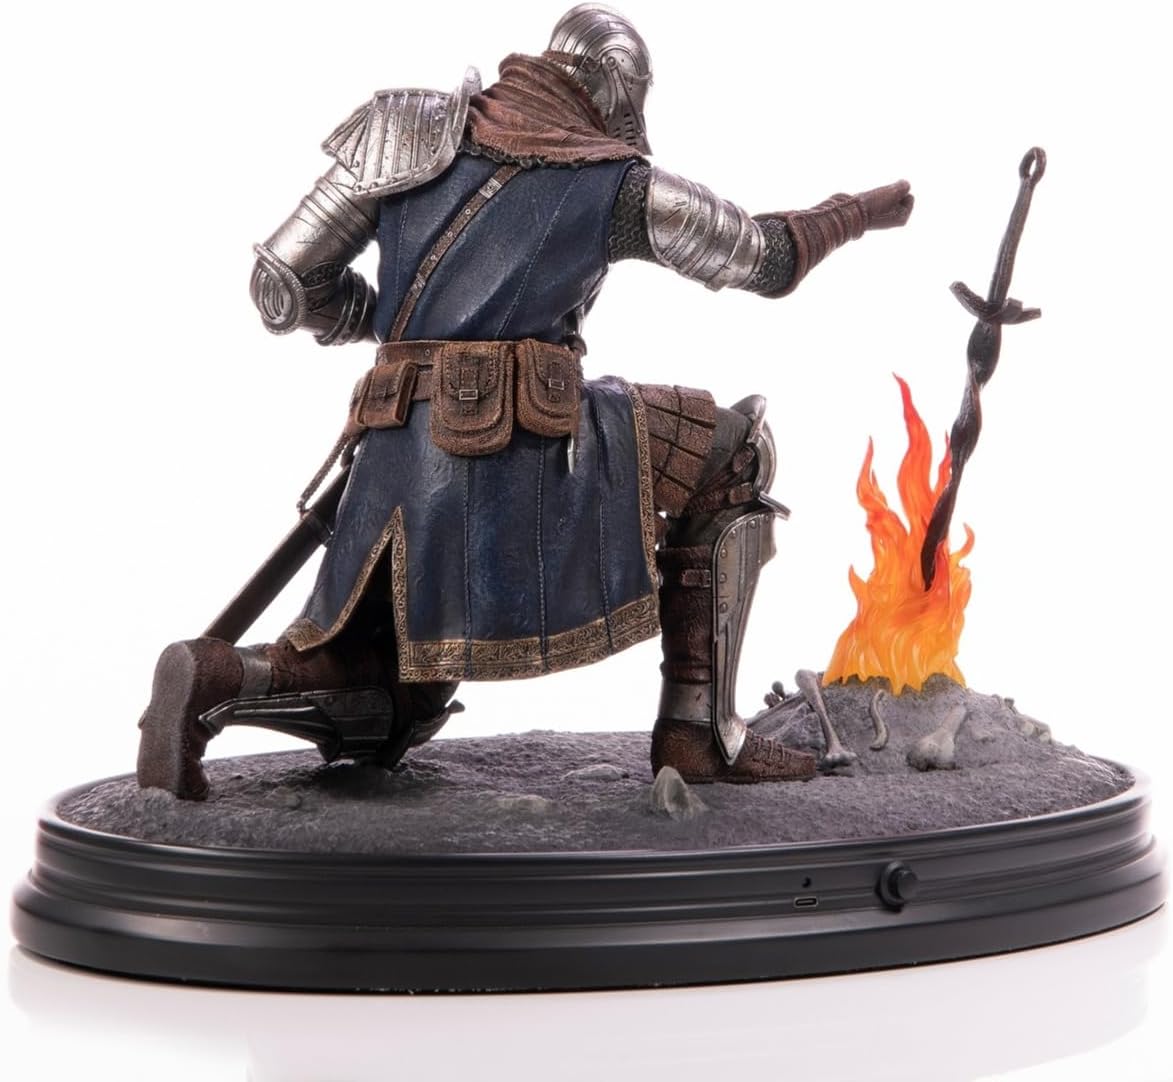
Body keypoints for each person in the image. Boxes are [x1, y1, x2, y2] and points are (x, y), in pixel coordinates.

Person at [137, 3, 913, 800]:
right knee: (736, 447)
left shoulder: (406, 131)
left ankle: (219, 676)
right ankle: (699, 733)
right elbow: (767, 259)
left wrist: (402, 338)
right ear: (617, 92)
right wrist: (858, 211)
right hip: (522, 449)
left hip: (393, 441)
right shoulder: (617, 183)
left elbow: (287, 282)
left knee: (395, 698)